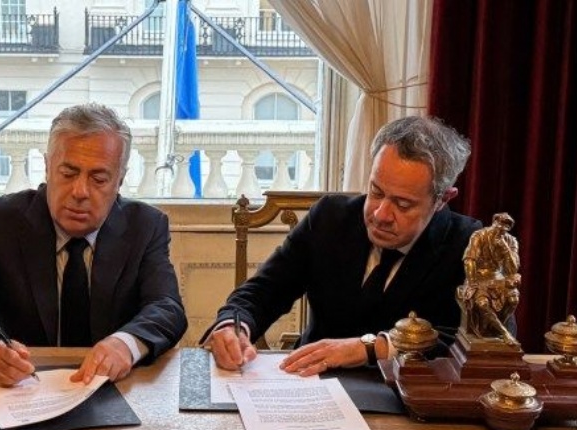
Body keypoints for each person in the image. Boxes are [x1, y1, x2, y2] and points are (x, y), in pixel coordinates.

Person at [0, 103, 187, 387]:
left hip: (113, 387)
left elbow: (167, 308)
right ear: (47, 167)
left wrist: (125, 344)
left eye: (99, 179)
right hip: (21, 388)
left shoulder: (145, 226)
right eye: (68, 174)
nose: (80, 192)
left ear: (119, 180)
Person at [204, 116, 481, 375]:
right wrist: (234, 325)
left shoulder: (469, 245)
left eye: (403, 204)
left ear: (443, 199)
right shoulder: (329, 217)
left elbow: (474, 341)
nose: (381, 215)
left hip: (402, 398)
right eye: (376, 192)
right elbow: (265, 291)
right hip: (312, 385)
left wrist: (372, 348)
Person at [457, 212, 521, 344]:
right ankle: (504, 332)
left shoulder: (511, 241)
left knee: (513, 299)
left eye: (505, 227)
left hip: (499, 278)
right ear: (494, 222)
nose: (501, 228)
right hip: (478, 277)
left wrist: (505, 249)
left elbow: (513, 269)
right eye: (499, 224)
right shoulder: (479, 236)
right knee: (482, 304)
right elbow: (469, 260)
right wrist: (472, 282)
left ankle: (494, 329)